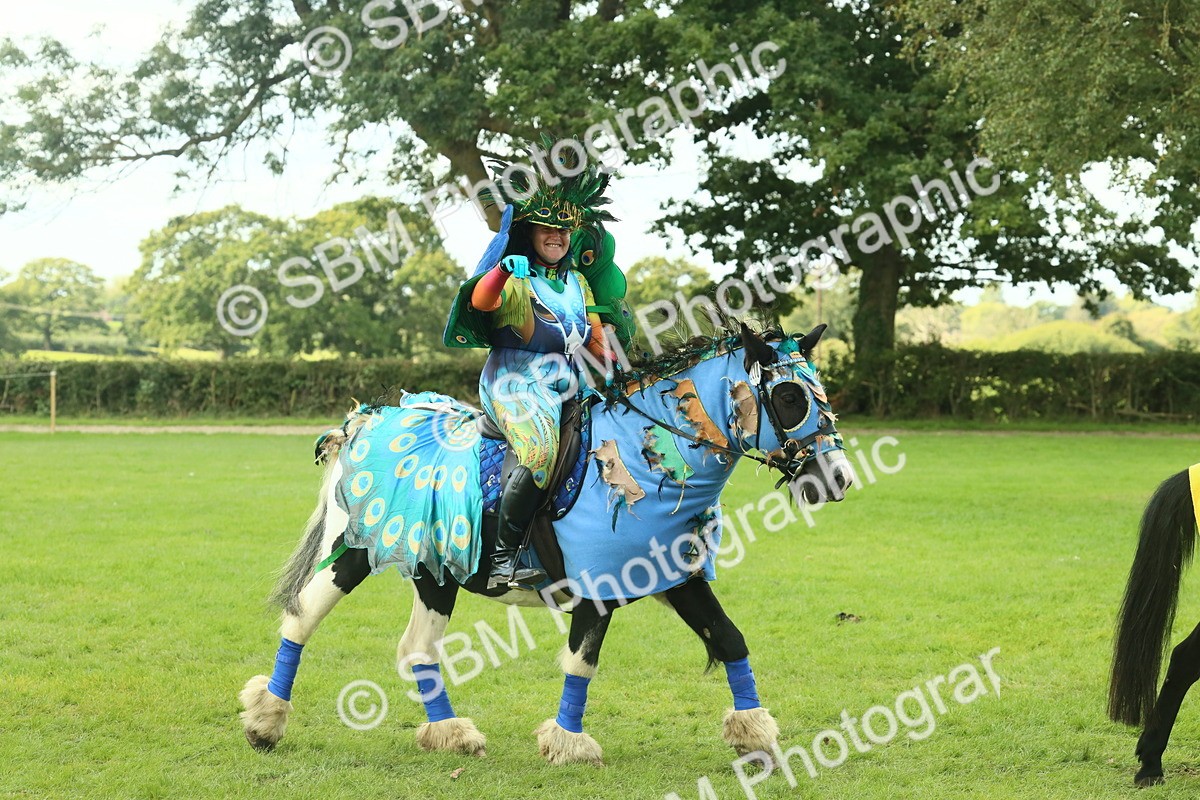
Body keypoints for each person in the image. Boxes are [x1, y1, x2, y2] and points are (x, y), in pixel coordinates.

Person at [444, 141, 636, 589]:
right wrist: (502, 273)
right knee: (538, 454)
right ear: (529, 232)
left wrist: (619, 366)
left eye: (565, 231)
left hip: (569, 381)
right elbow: (480, 300)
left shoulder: (578, 283)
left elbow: (592, 339)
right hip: (516, 382)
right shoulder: (514, 275)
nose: (558, 237)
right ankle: (503, 559)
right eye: (548, 229)